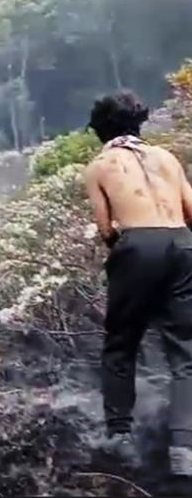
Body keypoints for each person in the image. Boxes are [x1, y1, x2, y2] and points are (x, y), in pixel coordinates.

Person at [83, 90, 192, 475]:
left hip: (137, 246)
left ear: (100, 130)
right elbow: (189, 210)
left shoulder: (99, 166)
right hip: (181, 243)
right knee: (186, 354)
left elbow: (104, 228)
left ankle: (120, 436)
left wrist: (126, 252)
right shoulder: (166, 157)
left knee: (121, 344)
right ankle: (184, 448)